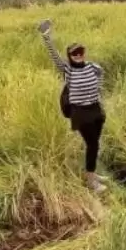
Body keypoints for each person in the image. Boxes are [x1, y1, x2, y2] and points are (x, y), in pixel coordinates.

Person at [38, 19, 107, 193]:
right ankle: (91, 181)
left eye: (80, 52)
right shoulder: (67, 70)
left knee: (95, 143)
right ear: (70, 56)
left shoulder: (93, 67)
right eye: (74, 53)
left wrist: (97, 91)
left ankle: (91, 173)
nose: (78, 55)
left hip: (95, 109)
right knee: (92, 144)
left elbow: (101, 78)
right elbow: (53, 55)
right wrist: (47, 37)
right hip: (80, 112)